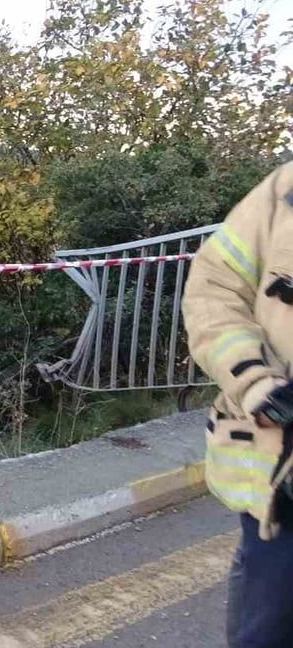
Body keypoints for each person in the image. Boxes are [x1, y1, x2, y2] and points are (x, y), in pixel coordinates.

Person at [183, 160, 293, 648]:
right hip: (283, 488)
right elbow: (214, 289)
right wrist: (255, 382)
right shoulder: (284, 193)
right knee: (267, 628)